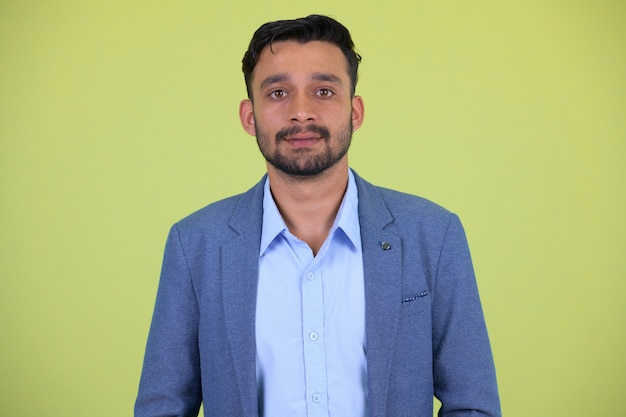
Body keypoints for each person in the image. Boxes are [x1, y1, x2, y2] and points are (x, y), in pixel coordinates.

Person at [135, 14, 501, 417]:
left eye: (324, 90)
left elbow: (473, 405)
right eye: (278, 93)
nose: (301, 112)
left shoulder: (433, 235)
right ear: (249, 116)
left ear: (355, 111)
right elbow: (162, 407)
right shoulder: (195, 245)